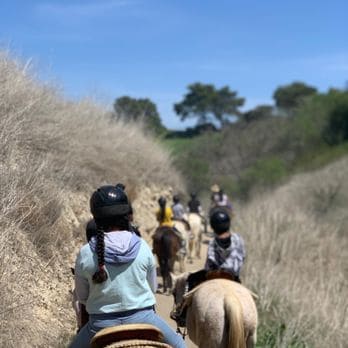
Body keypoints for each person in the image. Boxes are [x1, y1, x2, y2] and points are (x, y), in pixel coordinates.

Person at [70, 185, 185, 348]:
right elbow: (152, 288)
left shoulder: (85, 252)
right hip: (144, 319)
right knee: (181, 345)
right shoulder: (143, 246)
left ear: (96, 217)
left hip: (100, 325)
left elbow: (82, 297)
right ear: (126, 214)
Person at [205, 209, 245, 282]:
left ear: (212, 226)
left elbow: (208, 266)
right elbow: (242, 258)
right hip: (234, 277)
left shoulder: (212, 242)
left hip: (214, 277)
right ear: (228, 223)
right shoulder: (238, 239)